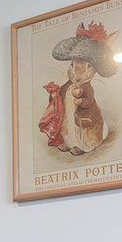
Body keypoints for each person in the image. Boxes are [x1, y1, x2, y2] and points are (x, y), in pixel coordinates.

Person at [38, 21, 115, 155]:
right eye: (73, 67)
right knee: (67, 125)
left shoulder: (87, 88)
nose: (78, 77)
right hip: (70, 117)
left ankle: (85, 145)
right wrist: (55, 95)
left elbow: (89, 101)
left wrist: (81, 102)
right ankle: (68, 143)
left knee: (82, 130)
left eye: (86, 68)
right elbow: (62, 94)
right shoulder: (69, 85)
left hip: (85, 119)